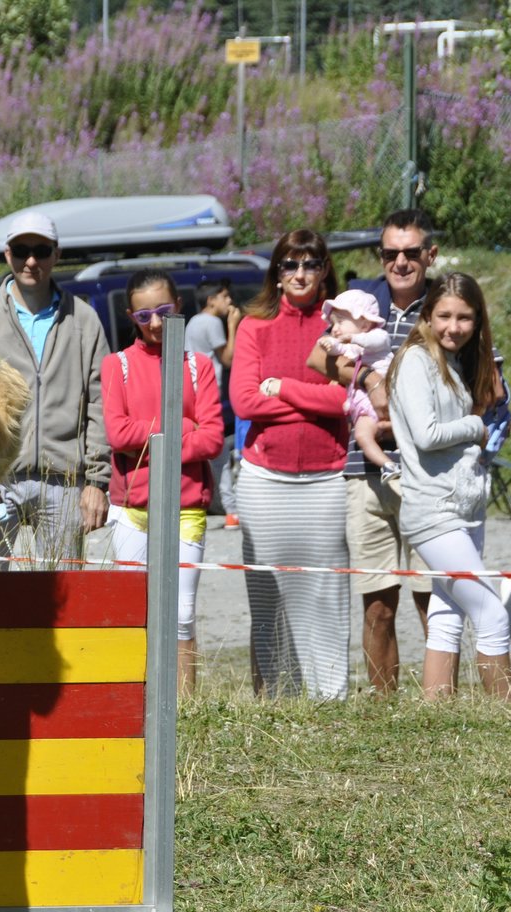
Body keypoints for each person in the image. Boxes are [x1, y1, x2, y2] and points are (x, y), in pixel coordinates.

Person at [306, 209, 439, 694]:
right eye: (390, 253)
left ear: (430, 255)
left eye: (410, 253)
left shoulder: (446, 304)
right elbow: (317, 356)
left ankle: (443, 710)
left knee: (433, 600)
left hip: (429, 473)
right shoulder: (362, 298)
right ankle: (383, 710)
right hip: (365, 473)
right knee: (377, 603)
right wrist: (368, 379)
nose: (400, 262)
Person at [229, 229, 351, 700]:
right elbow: (243, 401)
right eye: (289, 265)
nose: (300, 274)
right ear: (276, 274)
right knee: (268, 597)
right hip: (265, 482)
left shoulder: (343, 327)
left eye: (310, 264)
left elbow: (346, 400)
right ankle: (278, 699)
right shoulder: (254, 326)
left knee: (327, 595)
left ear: (324, 271)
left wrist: (280, 388)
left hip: (327, 480)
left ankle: (331, 699)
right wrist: (315, 400)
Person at [387, 273, 511, 699]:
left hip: (466, 507)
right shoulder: (415, 362)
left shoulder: (456, 361)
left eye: (465, 318)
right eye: (444, 316)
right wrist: (477, 424)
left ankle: (435, 713)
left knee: (448, 611)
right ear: (427, 313)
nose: (453, 327)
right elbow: (425, 434)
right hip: (433, 510)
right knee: (491, 612)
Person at [101, 269, 223, 693]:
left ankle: (185, 708)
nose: (155, 324)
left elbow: (211, 439)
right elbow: (117, 435)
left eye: (165, 312)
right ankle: (136, 701)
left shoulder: (198, 366)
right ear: (130, 316)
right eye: (144, 315)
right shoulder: (116, 366)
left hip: (186, 507)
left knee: (181, 615)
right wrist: (181, 427)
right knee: (134, 612)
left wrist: (150, 439)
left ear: (180, 309)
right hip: (131, 509)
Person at [0, 209, 110, 569]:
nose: (31, 261)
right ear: (7, 255)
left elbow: (98, 402)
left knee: (62, 599)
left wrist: (96, 481)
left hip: (64, 482)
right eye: (21, 251)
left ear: (57, 254)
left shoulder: (84, 320)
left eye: (41, 250)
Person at [321, 289, 395, 477]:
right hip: (366, 408)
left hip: (392, 397)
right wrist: (330, 346)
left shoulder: (378, 336)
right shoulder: (351, 347)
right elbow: (338, 350)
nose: (335, 328)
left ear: (365, 322)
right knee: (363, 436)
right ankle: (387, 465)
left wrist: (353, 338)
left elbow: (376, 341)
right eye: (333, 322)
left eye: (341, 321)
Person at [187, 279, 243, 524]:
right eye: (225, 296)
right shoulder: (211, 322)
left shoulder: (193, 321)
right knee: (218, 454)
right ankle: (232, 511)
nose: (229, 301)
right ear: (211, 301)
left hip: (193, 395)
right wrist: (232, 325)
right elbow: (228, 358)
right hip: (208, 397)